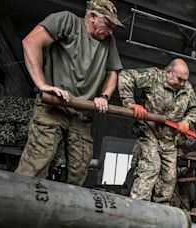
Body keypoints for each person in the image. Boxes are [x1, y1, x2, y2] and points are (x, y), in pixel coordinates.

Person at [15, 0, 124, 186]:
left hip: (82, 114)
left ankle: (61, 213)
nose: (111, 31)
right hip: (54, 107)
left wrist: (104, 96)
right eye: (108, 24)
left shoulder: (108, 41)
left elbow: (113, 71)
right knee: (35, 166)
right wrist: (42, 84)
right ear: (92, 17)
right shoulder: (67, 21)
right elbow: (31, 42)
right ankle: (15, 207)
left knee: (78, 173)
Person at [118, 58, 196, 204]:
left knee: (169, 178)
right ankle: (137, 210)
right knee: (151, 169)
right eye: (180, 79)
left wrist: (186, 122)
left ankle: (160, 212)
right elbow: (126, 76)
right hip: (149, 133)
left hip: (170, 140)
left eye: (185, 80)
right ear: (168, 72)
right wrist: (130, 103)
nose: (182, 83)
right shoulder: (154, 76)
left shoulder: (186, 88)